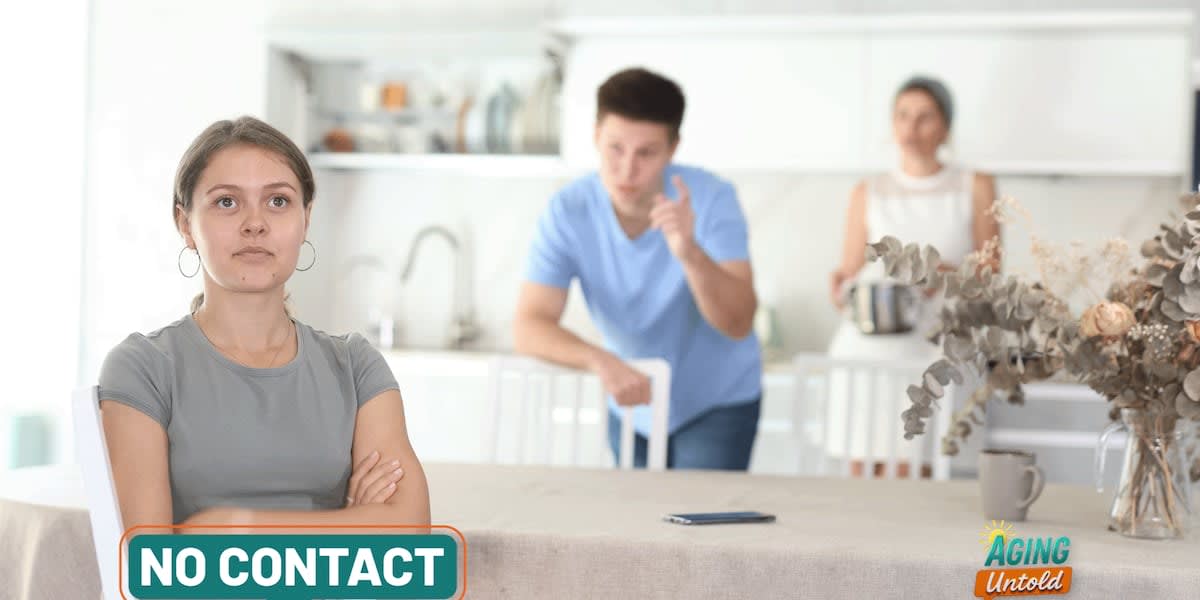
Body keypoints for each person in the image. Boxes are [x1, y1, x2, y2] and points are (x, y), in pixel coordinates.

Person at [98, 116, 430, 530]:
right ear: (185, 223)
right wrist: (351, 523)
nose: (255, 224)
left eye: (278, 201)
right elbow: (149, 563)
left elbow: (409, 532)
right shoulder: (144, 368)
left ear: (306, 218)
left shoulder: (355, 366)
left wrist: (232, 525)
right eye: (226, 202)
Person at [513, 68, 762, 470]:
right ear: (595, 135)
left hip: (715, 401)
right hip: (631, 395)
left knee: (700, 527)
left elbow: (738, 322)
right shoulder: (568, 211)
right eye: (615, 148)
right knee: (634, 527)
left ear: (672, 148)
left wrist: (689, 253)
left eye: (646, 153)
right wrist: (601, 361)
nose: (627, 169)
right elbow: (529, 325)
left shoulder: (712, 199)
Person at [826, 75, 999, 478]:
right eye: (902, 116)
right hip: (870, 346)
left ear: (945, 127)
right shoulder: (868, 190)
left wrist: (942, 273)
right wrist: (839, 285)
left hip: (938, 347)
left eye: (924, 117)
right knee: (865, 462)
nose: (911, 128)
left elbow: (991, 276)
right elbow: (850, 270)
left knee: (924, 467)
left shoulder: (974, 185)